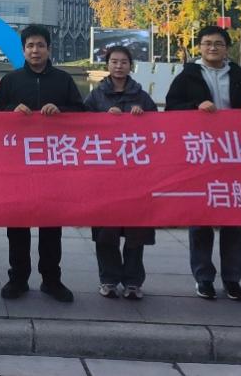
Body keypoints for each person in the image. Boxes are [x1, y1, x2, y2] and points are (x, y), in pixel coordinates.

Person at [165, 24, 241, 302]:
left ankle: (232, 279)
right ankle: (203, 278)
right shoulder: (187, 76)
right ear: (200, 47)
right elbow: (171, 108)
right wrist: (195, 107)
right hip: (201, 155)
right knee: (200, 219)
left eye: (218, 43)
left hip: (234, 155)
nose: (212, 48)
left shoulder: (240, 76)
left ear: (226, 48)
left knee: (233, 220)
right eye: (207, 43)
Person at [0, 24, 84, 303]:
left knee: (51, 225)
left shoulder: (63, 80)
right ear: (23, 50)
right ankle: (18, 278)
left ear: (49, 49)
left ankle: (51, 279)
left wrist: (61, 110)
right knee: (17, 224)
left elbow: (82, 113)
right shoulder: (11, 81)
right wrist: (11, 110)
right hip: (18, 165)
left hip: (53, 163)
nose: (35, 50)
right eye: (30, 46)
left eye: (40, 45)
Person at [84, 44, 157, 300]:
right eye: (114, 61)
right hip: (105, 174)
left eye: (123, 62)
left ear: (130, 66)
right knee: (106, 232)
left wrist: (142, 116)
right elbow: (81, 127)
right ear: (107, 65)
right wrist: (103, 117)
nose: (118, 66)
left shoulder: (141, 96)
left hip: (135, 174)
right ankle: (109, 279)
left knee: (136, 232)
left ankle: (133, 282)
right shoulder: (96, 96)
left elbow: (158, 129)